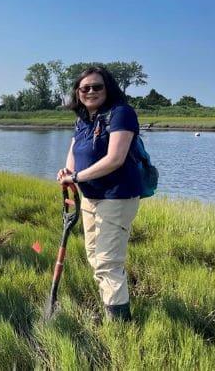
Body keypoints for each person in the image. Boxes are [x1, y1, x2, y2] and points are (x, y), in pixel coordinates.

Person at [56, 66, 142, 322]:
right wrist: (67, 172)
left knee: (107, 263)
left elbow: (115, 158)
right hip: (90, 198)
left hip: (116, 197)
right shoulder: (83, 119)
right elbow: (74, 151)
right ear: (77, 92)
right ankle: (110, 307)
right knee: (94, 258)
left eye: (97, 86)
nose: (91, 91)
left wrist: (77, 177)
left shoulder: (121, 114)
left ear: (108, 88)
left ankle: (119, 325)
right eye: (85, 88)